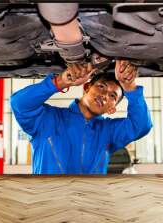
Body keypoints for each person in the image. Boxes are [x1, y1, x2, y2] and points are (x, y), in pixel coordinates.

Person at [11, 60, 153, 174]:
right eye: (101, 87)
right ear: (86, 88)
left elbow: (141, 126)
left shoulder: (109, 132)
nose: (104, 95)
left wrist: (130, 88)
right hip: (49, 205)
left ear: (112, 109)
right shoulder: (48, 119)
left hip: (90, 206)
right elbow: (19, 104)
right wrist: (60, 81)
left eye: (112, 96)